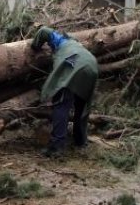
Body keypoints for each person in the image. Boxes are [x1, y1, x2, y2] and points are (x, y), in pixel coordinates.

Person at [31, 26, 99, 157]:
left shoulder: (59, 44)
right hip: (91, 64)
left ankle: (56, 147)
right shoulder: (73, 43)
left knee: (61, 105)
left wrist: (36, 46)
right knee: (81, 106)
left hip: (75, 64)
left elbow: (43, 31)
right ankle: (80, 141)